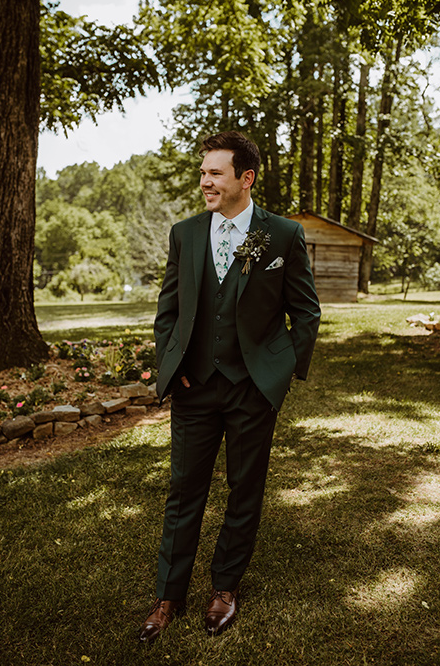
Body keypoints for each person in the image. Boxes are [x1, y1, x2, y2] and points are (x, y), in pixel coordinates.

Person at [139, 130, 320, 644]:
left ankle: (225, 587)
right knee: (183, 493)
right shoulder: (186, 233)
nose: (205, 182)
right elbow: (168, 312)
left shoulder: (281, 234)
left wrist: (281, 372)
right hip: (195, 389)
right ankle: (168, 596)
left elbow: (305, 311)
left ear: (246, 178)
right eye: (202, 173)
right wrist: (174, 366)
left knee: (245, 491)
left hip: (252, 391)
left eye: (215, 173)